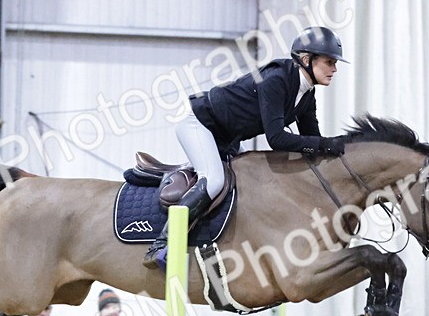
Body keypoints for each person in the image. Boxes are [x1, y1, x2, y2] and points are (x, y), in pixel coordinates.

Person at [144, 26, 349, 268]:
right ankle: (161, 244)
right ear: (306, 60)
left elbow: (312, 141)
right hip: (199, 124)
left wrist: (337, 156)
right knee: (214, 182)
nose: (334, 69)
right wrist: (326, 145)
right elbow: (277, 139)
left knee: (245, 188)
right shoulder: (277, 80)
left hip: (226, 138)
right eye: (329, 62)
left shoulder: (306, 96)